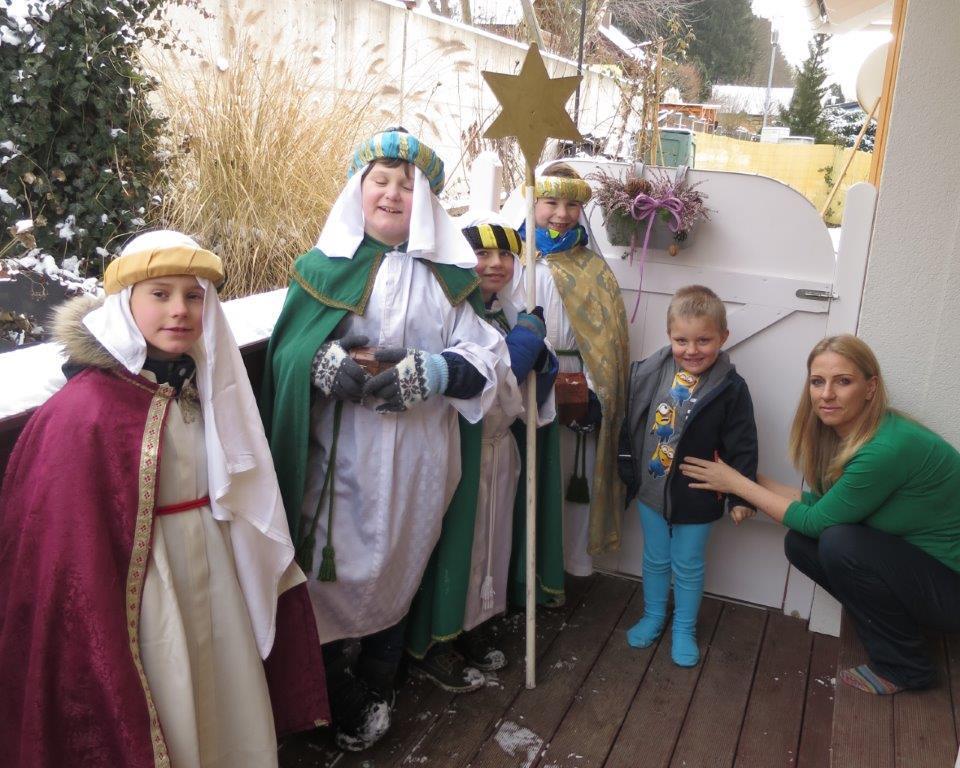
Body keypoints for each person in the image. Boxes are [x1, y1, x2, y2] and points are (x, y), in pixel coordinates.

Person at [0, 230, 329, 768]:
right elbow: (62, 539)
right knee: (171, 694)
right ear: (124, 304)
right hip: (149, 589)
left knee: (224, 693)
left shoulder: (207, 384)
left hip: (216, 571)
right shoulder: (85, 409)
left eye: (193, 296)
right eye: (160, 294)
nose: (180, 309)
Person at [260, 128, 505, 748]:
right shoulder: (321, 269)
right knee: (326, 569)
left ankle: (378, 675)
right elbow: (288, 350)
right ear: (358, 190)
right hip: (340, 458)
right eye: (381, 181)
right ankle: (325, 691)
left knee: (403, 556)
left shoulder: (451, 279)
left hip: (421, 458)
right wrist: (320, 363)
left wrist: (438, 371)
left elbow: (488, 357)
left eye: (407, 184)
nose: (393, 193)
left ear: (426, 202)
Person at [681, 334, 960, 693]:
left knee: (838, 542)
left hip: (952, 588)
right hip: (927, 574)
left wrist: (736, 484)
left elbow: (817, 522)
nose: (826, 394)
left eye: (843, 381)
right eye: (817, 381)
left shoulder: (887, 448)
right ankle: (900, 634)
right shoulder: (860, 434)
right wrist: (744, 475)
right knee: (801, 544)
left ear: (870, 387)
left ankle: (907, 668)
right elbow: (823, 507)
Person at [417, 214, 559, 678]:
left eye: (505, 254)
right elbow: (492, 382)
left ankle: (474, 623)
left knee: (494, 539)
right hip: (463, 451)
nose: (495, 263)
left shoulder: (507, 312)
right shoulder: (452, 314)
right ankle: (439, 638)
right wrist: (522, 346)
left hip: (501, 449)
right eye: (481, 253)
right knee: (460, 542)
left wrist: (539, 351)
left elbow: (528, 388)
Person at [618, 285, 757, 666]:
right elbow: (631, 421)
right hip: (652, 490)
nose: (691, 350)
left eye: (703, 340)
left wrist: (740, 496)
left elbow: (743, 443)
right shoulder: (651, 373)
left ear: (723, 337)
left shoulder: (731, 388)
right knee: (655, 559)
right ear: (669, 335)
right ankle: (653, 616)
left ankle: (684, 628)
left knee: (688, 564)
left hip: (699, 493)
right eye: (682, 340)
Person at [503, 162, 630, 578]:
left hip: (575, 378)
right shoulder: (512, 262)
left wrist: (591, 390)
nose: (561, 213)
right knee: (522, 470)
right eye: (551, 202)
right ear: (531, 203)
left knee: (568, 473)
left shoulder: (592, 269)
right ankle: (519, 567)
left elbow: (605, 340)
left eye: (572, 205)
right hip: (521, 374)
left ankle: (564, 564)